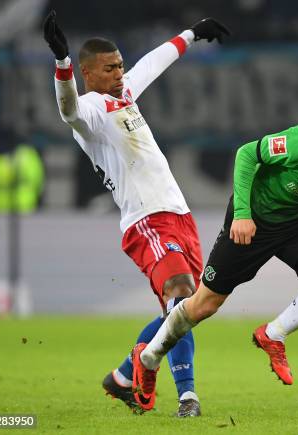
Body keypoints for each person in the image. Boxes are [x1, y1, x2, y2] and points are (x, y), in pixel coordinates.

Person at [129, 117, 298, 396]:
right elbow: (247, 154)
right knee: (203, 306)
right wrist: (242, 215)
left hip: (297, 224)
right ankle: (148, 358)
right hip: (252, 221)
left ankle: (273, 335)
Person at [43, 10, 230, 416]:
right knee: (181, 295)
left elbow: (153, 62)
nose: (119, 73)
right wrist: (61, 63)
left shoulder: (124, 91)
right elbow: (68, 111)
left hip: (179, 214)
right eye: (110, 68)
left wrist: (192, 33)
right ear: (89, 73)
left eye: (120, 66)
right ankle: (187, 397)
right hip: (145, 221)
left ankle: (125, 374)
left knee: (190, 310)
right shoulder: (90, 110)